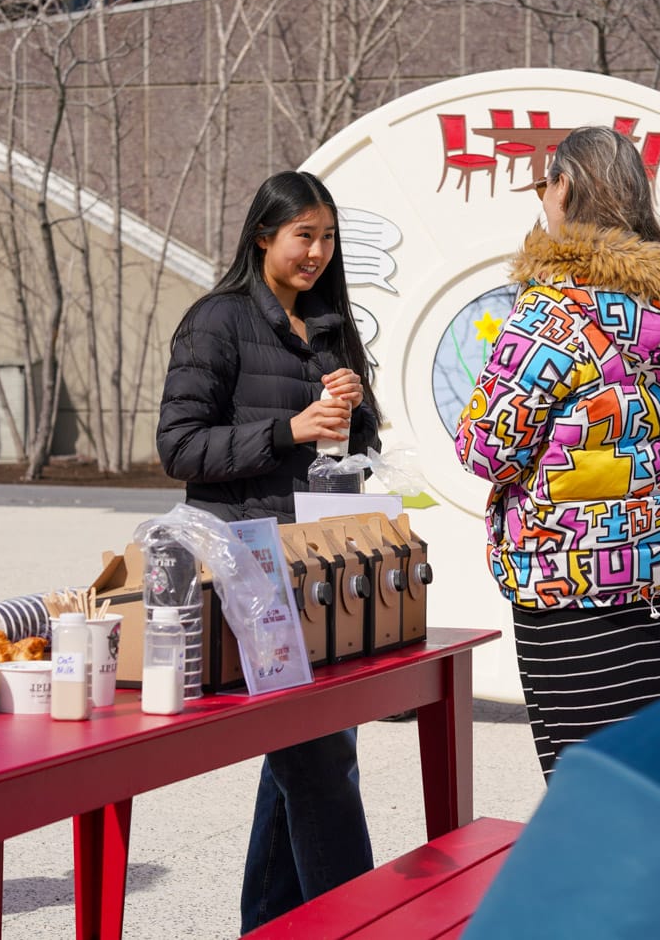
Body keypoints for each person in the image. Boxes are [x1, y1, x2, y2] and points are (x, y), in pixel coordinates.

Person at [455, 126, 660, 781]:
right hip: (654, 570)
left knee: (581, 780)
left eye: (544, 186)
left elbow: (487, 448)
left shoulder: (553, 315)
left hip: (566, 573)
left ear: (565, 187)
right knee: (644, 770)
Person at [156, 170, 379, 933]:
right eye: (302, 236)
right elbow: (178, 447)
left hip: (321, 561)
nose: (317, 252)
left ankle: (267, 923)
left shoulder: (329, 324)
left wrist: (354, 409)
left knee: (309, 754)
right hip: (248, 567)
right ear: (262, 235)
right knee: (318, 757)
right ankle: (358, 923)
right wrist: (290, 428)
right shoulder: (215, 321)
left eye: (328, 237)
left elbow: (356, 443)